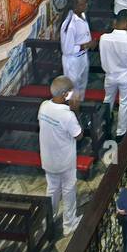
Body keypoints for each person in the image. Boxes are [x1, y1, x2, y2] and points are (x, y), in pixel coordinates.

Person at [37, 75, 82, 237]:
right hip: (64, 161)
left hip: (48, 159)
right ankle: (69, 224)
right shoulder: (67, 115)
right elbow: (78, 135)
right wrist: (75, 110)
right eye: (70, 92)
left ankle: (49, 219)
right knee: (69, 189)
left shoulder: (43, 106)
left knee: (52, 189)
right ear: (64, 94)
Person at [99, 10, 127, 138]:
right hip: (125, 76)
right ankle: (120, 132)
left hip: (110, 75)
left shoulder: (103, 38)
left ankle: (105, 124)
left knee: (108, 99)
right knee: (124, 103)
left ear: (115, 22)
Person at [60, 0, 93, 97]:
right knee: (72, 91)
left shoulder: (82, 15)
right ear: (75, 6)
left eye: (86, 3)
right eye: (82, 4)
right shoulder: (70, 25)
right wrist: (86, 45)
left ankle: (79, 108)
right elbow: (67, 50)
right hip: (73, 61)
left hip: (83, 57)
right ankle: (70, 111)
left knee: (82, 87)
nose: (85, 5)